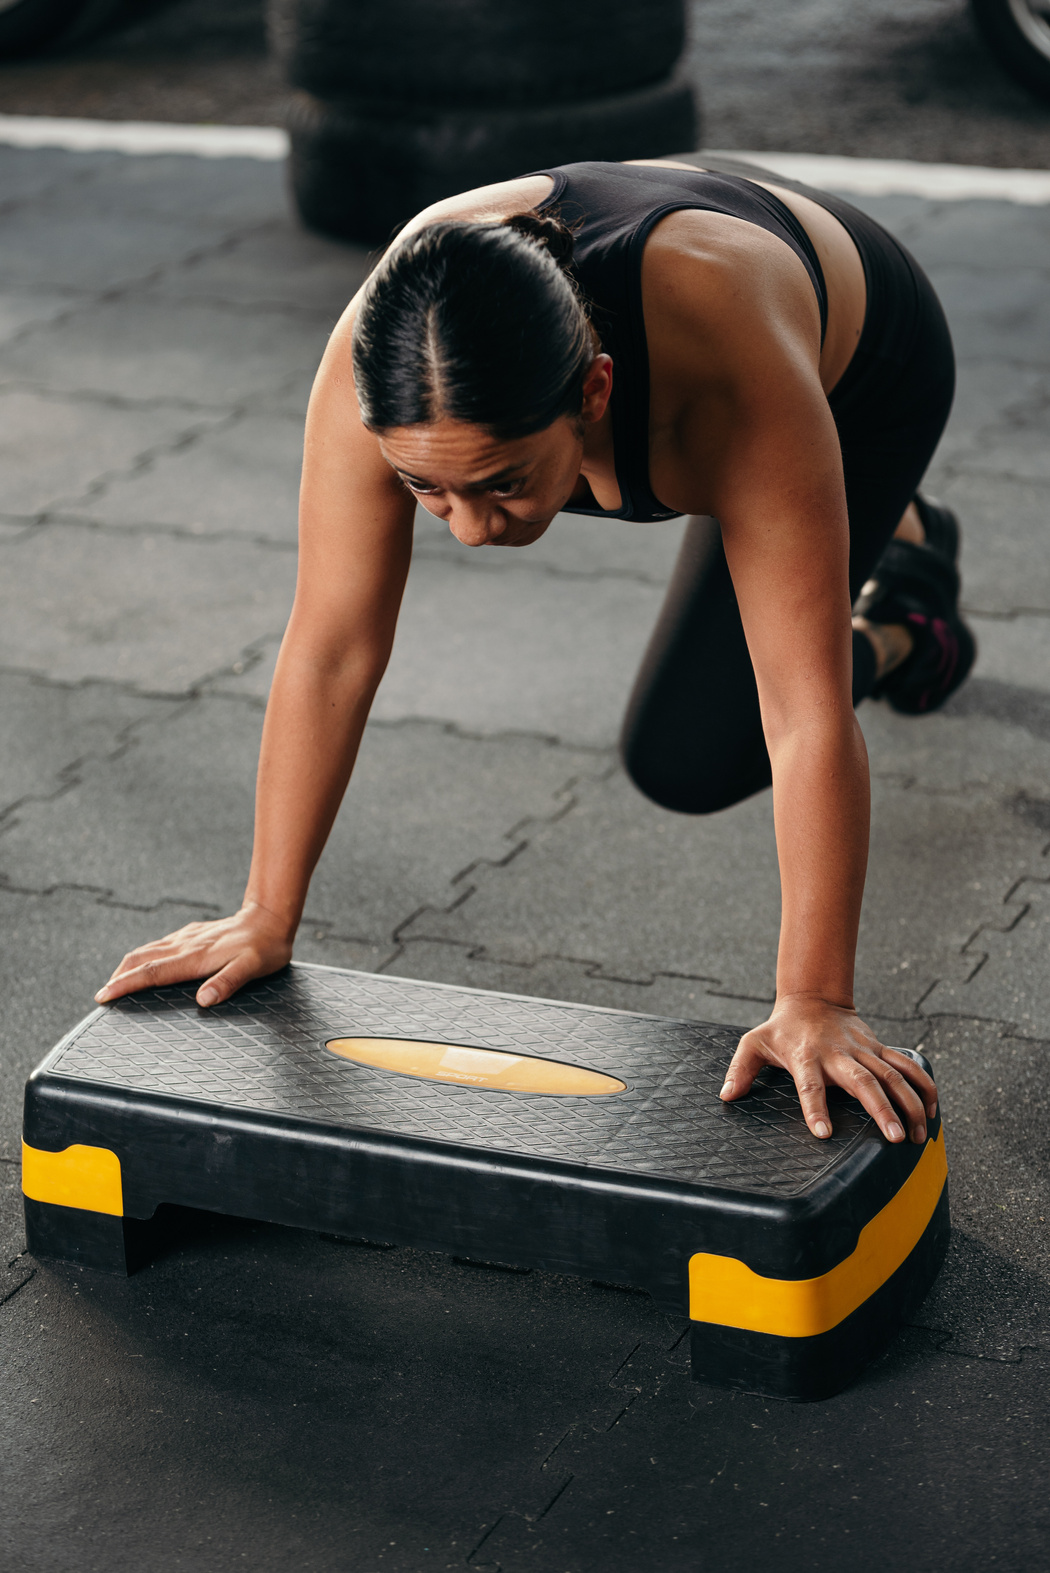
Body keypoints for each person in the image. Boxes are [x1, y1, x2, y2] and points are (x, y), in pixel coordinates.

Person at [97, 155, 968, 1148]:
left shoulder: (726, 376)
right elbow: (332, 647)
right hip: (643, 345)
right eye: (431, 491)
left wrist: (815, 998)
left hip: (856, 364)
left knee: (700, 756)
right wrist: (264, 909)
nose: (468, 532)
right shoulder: (381, 364)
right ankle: (848, 535)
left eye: (501, 484)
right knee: (682, 749)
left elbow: (804, 712)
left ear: (595, 392)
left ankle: (907, 608)